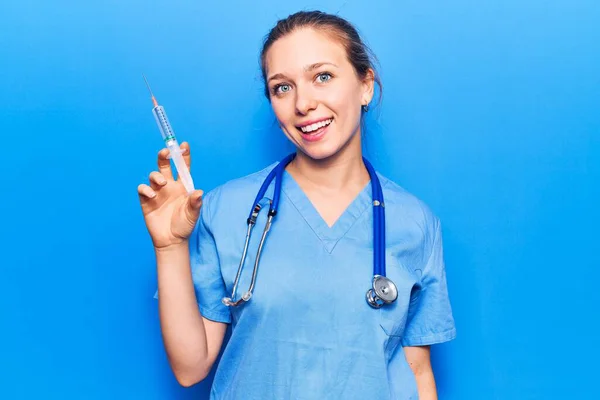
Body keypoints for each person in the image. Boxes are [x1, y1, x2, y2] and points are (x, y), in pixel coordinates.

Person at [138, 10, 456, 400]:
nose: (303, 103)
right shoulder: (226, 209)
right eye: (282, 88)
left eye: (322, 76)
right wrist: (169, 247)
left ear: (365, 85)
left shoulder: (415, 222)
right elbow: (190, 368)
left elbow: (417, 371)